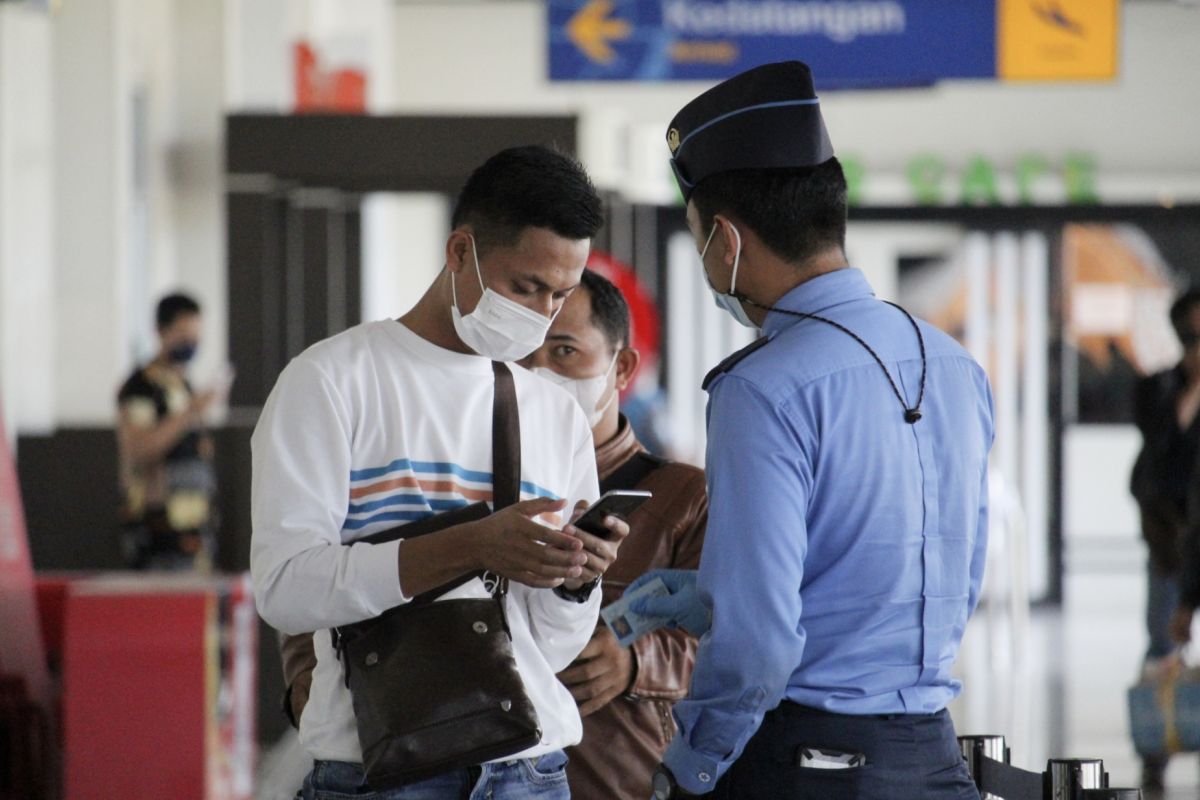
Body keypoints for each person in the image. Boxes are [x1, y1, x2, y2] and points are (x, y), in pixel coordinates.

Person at [628, 61, 994, 799]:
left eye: (701, 240)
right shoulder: (954, 366)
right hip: (931, 760)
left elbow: (760, 643)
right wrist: (710, 593)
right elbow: (928, 575)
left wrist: (694, 762)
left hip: (801, 765)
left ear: (725, 241)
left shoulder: (762, 388)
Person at [250, 145, 632, 799]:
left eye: (560, 295)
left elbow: (548, 649)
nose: (541, 314)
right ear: (461, 251)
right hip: (381, 770)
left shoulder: (551, 413)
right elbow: (285, 589)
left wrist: (574, 582)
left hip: (530, 770)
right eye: (524, 286)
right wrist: (472, 545)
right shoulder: (334, 380)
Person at [521, 269, 708, 799]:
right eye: (524, 355)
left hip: (621, 779)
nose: (537, 373)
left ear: (621, 367)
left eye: (563, 352)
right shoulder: (479, 486)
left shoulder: (683, 497)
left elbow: (741, 641)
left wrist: (634, 663)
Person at [1132, 288, 1200, 790]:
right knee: (1162, 642)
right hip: (1171, 539)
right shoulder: (1158, 387)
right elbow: (1163, 446)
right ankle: (1155, 746)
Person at [116, 292, 221, 571]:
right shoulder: (141, 386)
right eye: (184, 333)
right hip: (158, 529)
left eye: (196, 335)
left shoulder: (184, 385)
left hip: (194, 527)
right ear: (161, 331)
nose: (192, 342)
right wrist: (190, 413)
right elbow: (139, 450)